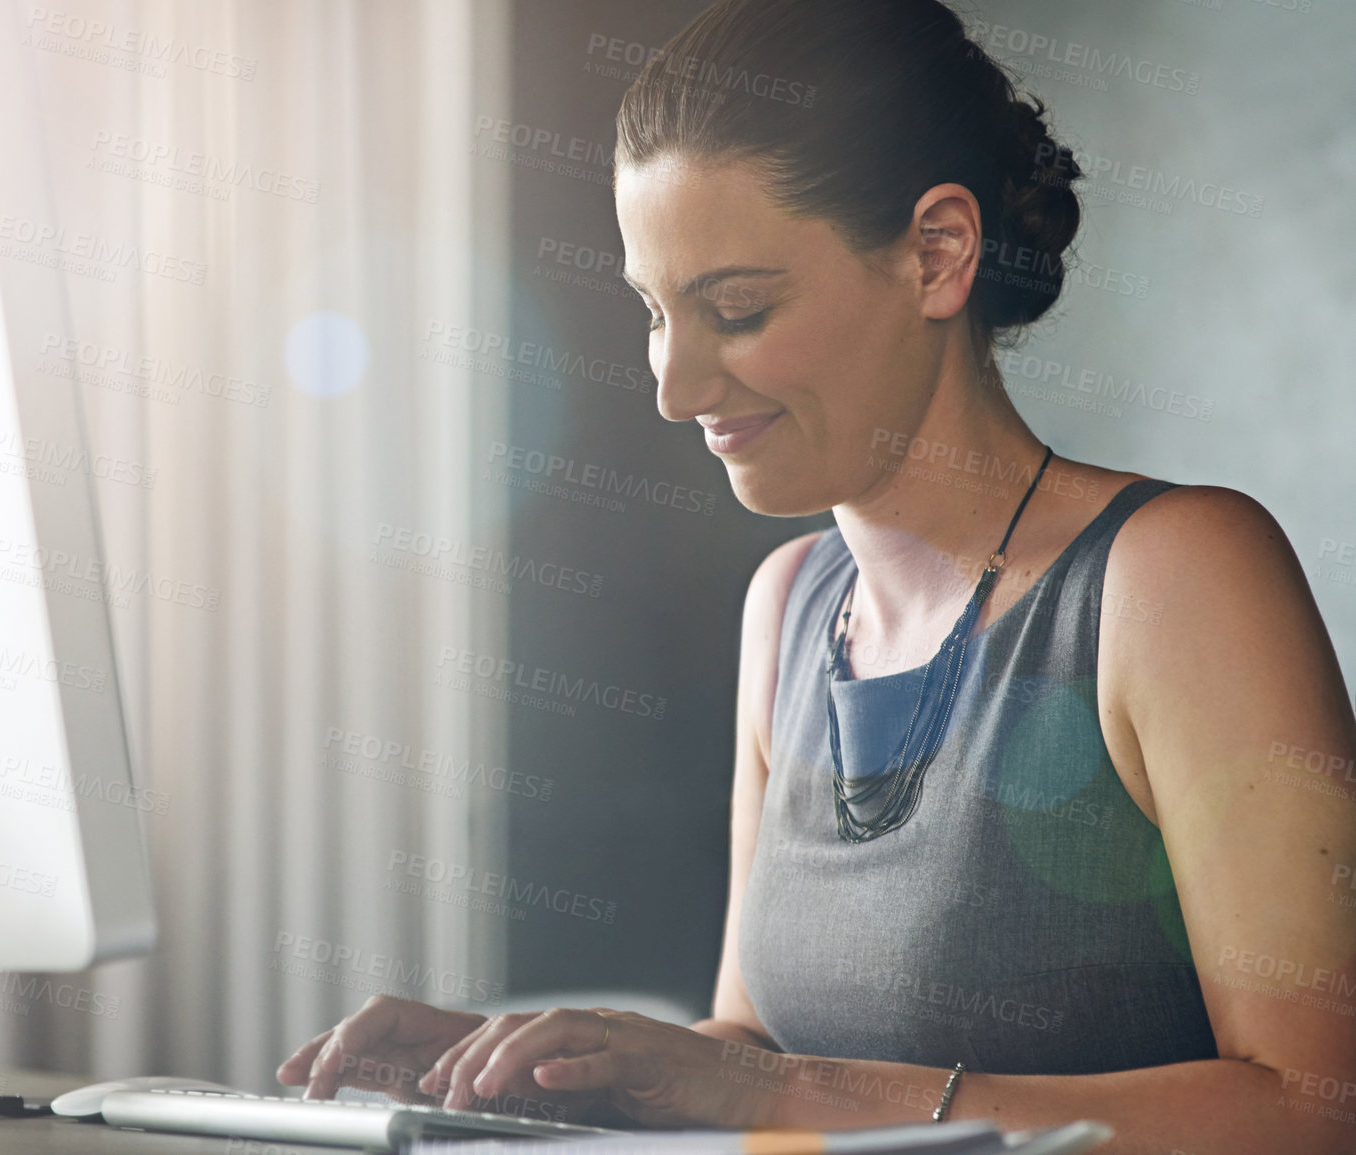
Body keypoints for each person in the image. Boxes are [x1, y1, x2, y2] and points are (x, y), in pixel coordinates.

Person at [278, 1, 1356, 1148]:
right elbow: (760, 1051)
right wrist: (551, 1064)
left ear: (938, 254)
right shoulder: (790, 604)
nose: (675, 389)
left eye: (737, 309)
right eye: (655, 312)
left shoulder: (1172, 577)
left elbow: (1318, 1107)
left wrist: (774, 1093)